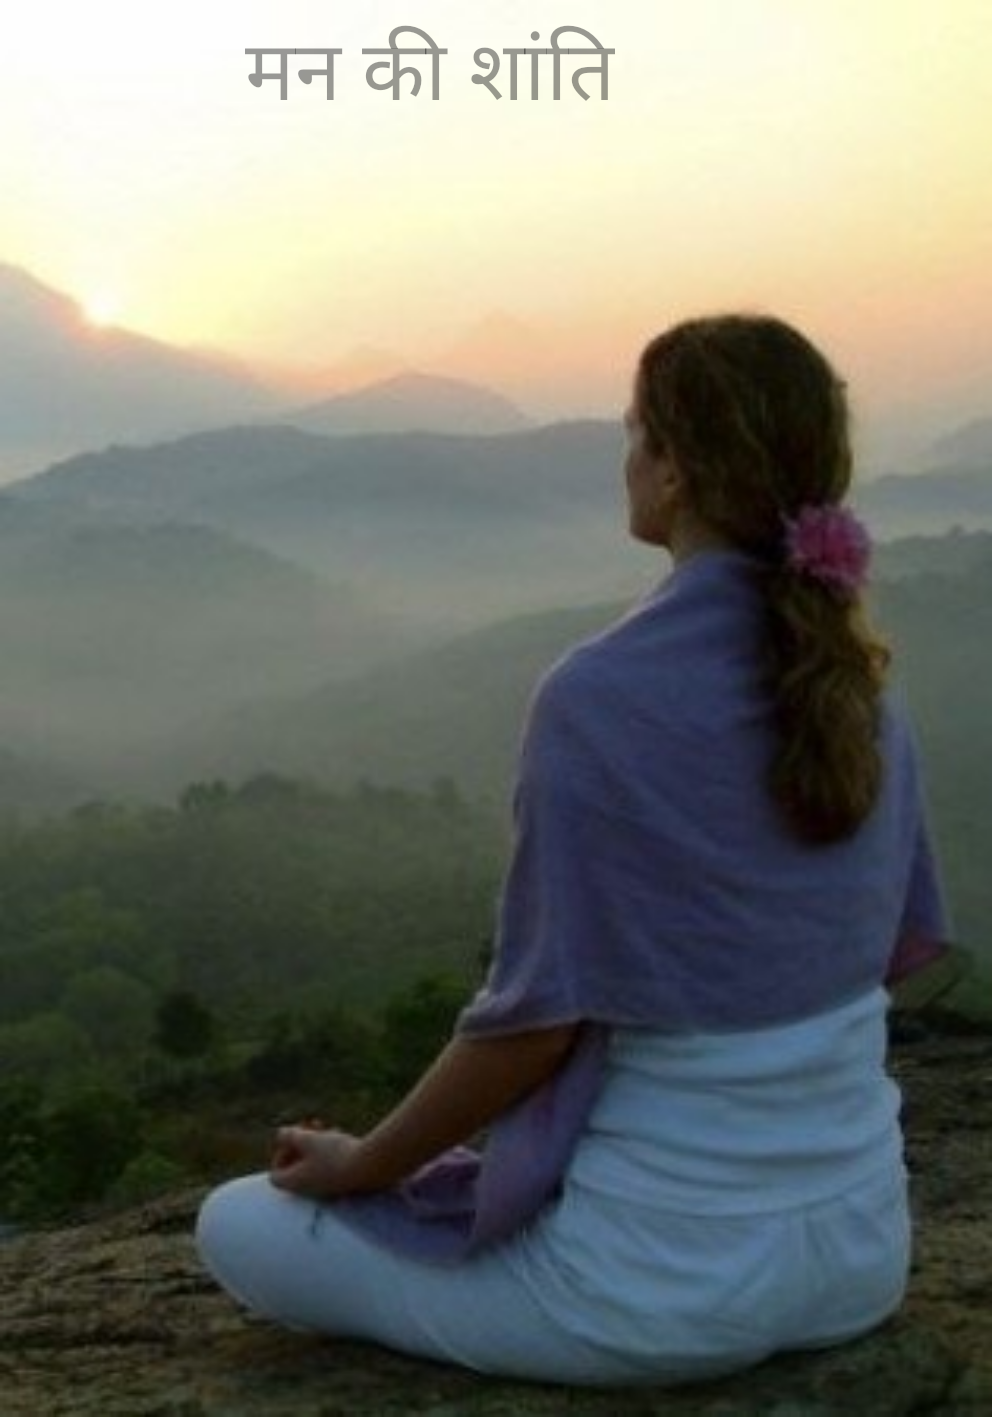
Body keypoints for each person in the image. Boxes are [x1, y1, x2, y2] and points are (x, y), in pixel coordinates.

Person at [195, 313, 955, 1386]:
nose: (626, 458)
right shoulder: (860, 690)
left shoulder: (597, 696)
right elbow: (883, 951)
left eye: (635, 432)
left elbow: (531, 1030)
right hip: (858, 1261)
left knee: (237, 1221)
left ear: (675, 470)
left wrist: (366, 1162)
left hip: (653, 1294)